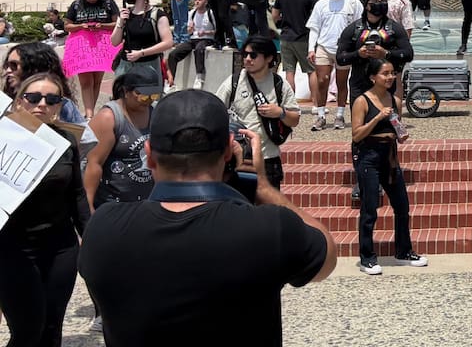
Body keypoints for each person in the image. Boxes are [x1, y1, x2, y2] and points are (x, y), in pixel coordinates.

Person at [79, 89, 336, 345]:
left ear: (149, 152)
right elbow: (327, 258)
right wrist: (262, 188)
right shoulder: (270, 228)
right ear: (227, 151)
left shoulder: (104, 227)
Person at [0, 73, 89, 347]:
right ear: (18, 102)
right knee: (27, 331)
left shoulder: (65, 141)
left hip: (60, 247)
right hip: (11, 247)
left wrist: (92, 237)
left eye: (52, 99)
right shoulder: (3, 137)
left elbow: (77, 195)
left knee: (52, 330)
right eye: (33, 97)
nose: (42, 104)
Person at [351, 58, 426, 274]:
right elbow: (356, 135)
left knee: (402, 204)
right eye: (385, 73)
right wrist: (376, 120)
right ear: (373, 77)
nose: (390, 77)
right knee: (370, 207)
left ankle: (404, 251)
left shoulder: (394, 100)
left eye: (392, 73)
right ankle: (367, 257)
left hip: (390, 155)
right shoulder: (362, 101)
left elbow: (395, 126)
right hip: (368, 155)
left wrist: (400, 134)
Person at [216, 36, 302, 188]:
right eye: (245, 55)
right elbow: (214, 111)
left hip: (269, 159)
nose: (248, 59)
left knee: (268, 209)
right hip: (239, 160)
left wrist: (280, 112)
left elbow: (295, 119)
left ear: (269, 58)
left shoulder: (279, 84)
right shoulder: (234, 81)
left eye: (253, 55)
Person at [84, 64, 161, 210]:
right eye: (143, 95)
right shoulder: (109, 118)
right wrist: (88, 209)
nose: (148, 100)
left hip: (147, 204)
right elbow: (93, 164)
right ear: (126, 91)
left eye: (154, 95)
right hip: (112, 204)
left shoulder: (157, 112)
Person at [336, 0, 415, 107]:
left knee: (386, 122)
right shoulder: (354, 29)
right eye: (376, 2)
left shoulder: (394, 28)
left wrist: (386, 54)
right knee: (360, 122)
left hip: (386, 86)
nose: (380, 4)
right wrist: (358, 54)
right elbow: (340, 58)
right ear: (367, 5)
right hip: (360, 84)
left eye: (383, 2)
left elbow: (408, 54)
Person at [305, 0, 363, 130]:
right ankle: (321, 115)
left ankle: (339, 114)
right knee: (322, 80)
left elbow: (360, 26)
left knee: (341, 82)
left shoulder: (353, 2)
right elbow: (314, 28)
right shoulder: (321, 4)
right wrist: (311, 48)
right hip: (324, 46)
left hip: (344, 48)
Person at [62, 0, 121, 118]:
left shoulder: (107, 2)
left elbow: (117, 23)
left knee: (96, 80)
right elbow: (67, 25)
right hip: (81, 45)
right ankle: (89, 114)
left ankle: (90, 112)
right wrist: (81, 26)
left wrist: (102, 25)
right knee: (86, 81)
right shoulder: (77, 4)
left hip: (102, 45)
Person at [4, 41, 87, 124]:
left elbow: (85, 136)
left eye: (14, 65)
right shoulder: (4, 101)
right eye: (7, 65)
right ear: (19, 102)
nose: (8, 70)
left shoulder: (65, 106)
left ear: (34, 66)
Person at [111, 0, 174, 84]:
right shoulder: (125, 14)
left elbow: (168, 43)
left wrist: (141, 53)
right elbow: (114, 42)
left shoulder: (157, 15)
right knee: (122, 98)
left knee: (148, 98)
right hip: (125, 67)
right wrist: (121, 21)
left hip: (149, 66)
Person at [273, 0, 316, 93]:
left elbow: (275, 16)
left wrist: (282, 21)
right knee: (311, 71)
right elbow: (315, 17)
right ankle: (316, 104)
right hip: (304, 37)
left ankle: (291, 103)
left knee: (289, 72)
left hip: (286, 37)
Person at [167, 0, 216, 89]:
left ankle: (199, 77)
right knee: (173, 54)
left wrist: (206, 32)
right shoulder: (192, 13)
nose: (197, 2)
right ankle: (170, 80)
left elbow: (217, 30)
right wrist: (189, 29)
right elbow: (189, 31)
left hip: (207, 39)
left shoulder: (210, 13)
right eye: (196, 0)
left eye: (200, 0)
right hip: (193, 38)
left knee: (199, 49)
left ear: (206, 2)